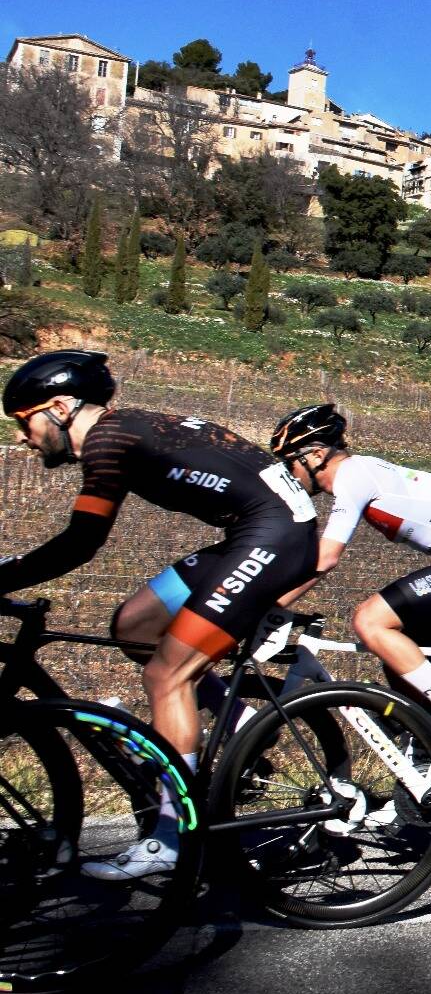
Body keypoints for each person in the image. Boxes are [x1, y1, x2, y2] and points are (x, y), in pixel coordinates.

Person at [0, 351, 317, 879]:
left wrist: (3, 576)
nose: (21, 437)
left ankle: (173, 837)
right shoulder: (121, 432)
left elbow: (80, 545)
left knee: (166, 673)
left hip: (273, 536)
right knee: (135, 625)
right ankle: (238, 720)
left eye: (23, 420)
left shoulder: (108, 442)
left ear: (58, 407)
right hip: (258, 531)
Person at [269, 404, 431, 749]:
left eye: (289, 462)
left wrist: (270, 604)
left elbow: (326, 557)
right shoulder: (360, 471)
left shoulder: (353, 477)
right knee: (401, 668)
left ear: (314, 456)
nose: (289, 472)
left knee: (370, 620)